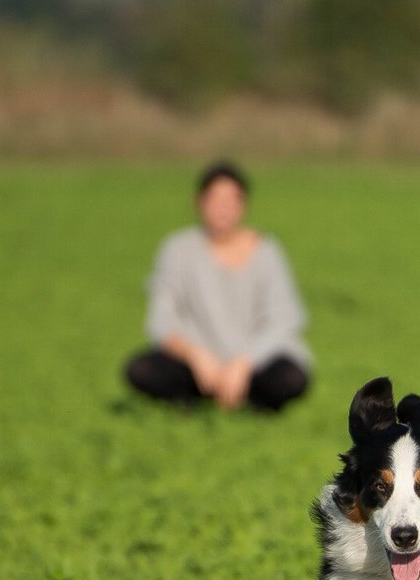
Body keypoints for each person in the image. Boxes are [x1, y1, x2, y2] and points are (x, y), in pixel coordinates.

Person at [123, 162, 311, 412]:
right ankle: (201, 398)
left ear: (243, 205)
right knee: (142, 370)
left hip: (255, 364)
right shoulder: (178, 249)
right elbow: (161, 319)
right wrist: (197, 356)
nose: (223, 209)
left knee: (290, 378)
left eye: (232, 201)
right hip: (198, 363)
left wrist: (244, 363)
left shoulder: (267, 251)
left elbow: (285, 319)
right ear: (199, 203)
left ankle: (247, 400)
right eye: (215, 200)